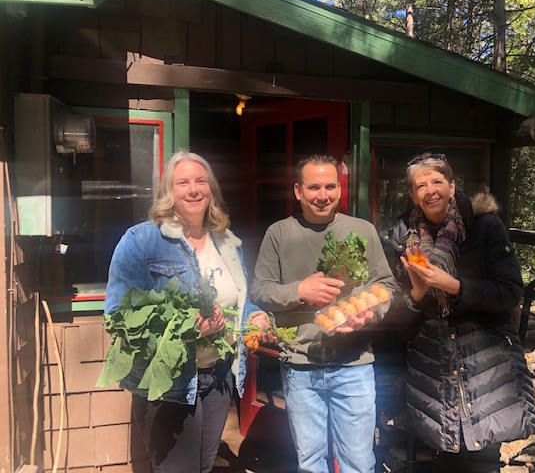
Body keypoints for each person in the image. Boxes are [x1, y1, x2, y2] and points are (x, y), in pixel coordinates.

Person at [104, 150, 270, 473]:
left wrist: (254, 315)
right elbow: (119, 317)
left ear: (211, 189)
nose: (193, 190)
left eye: (200, 181)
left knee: (204, 467)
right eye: (183, 183)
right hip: (169, 384)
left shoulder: (227, 243)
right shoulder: (142, 241)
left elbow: (239, 300)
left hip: (218, 379)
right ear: (168, 190)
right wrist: (185, 330)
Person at [385, 152, 535, 473]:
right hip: (434, 364)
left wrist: (454, 286)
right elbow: (397, 319)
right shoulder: (401, 238)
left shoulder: (485, 227)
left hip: (487, 363)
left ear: (452, 186)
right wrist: (417, 294)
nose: (430, 191)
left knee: (485, 458)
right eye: (421, 186)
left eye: (437, 182)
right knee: (445, 457)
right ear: (412, 195)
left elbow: (510, 292)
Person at [251, 154, 395, 473]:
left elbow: (385, 286)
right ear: (298, 191)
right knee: (310, 463)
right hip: (300, 365)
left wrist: (369, 315)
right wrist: (299, 290)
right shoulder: (279, 233)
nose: (323, 195)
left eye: (331, 186)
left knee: (359, 463)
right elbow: (260, 290)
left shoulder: (362, 230)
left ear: (340, 189)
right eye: (314, 187)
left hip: (354, 363)